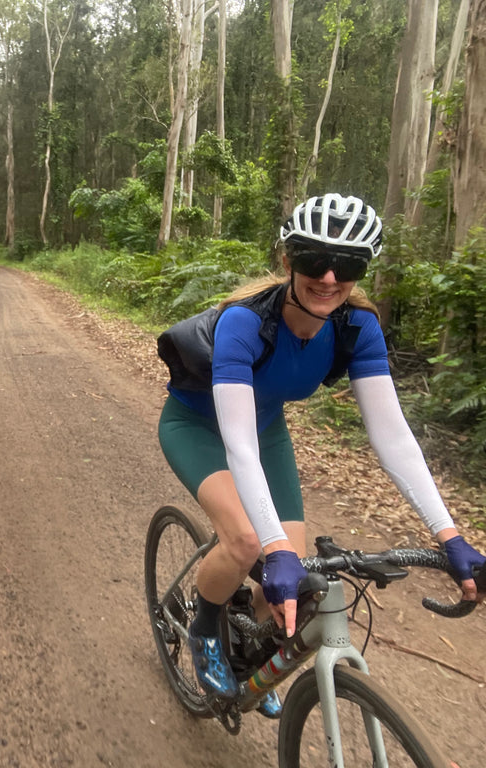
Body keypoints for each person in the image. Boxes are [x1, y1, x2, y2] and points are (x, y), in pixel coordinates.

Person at [156, 193, 485, 717]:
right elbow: (236, 444)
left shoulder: (357, 328)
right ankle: (203, 628)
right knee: (246, 543)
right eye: (314, 261)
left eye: (348, 265)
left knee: (291, 570)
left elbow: (393, 436)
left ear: (361, 271)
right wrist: (272, 548)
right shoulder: (245, 322)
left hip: (265, 431)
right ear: (288, 261)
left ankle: (248, 646)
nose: (329, 278)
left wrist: (449, 535)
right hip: (198, 426)